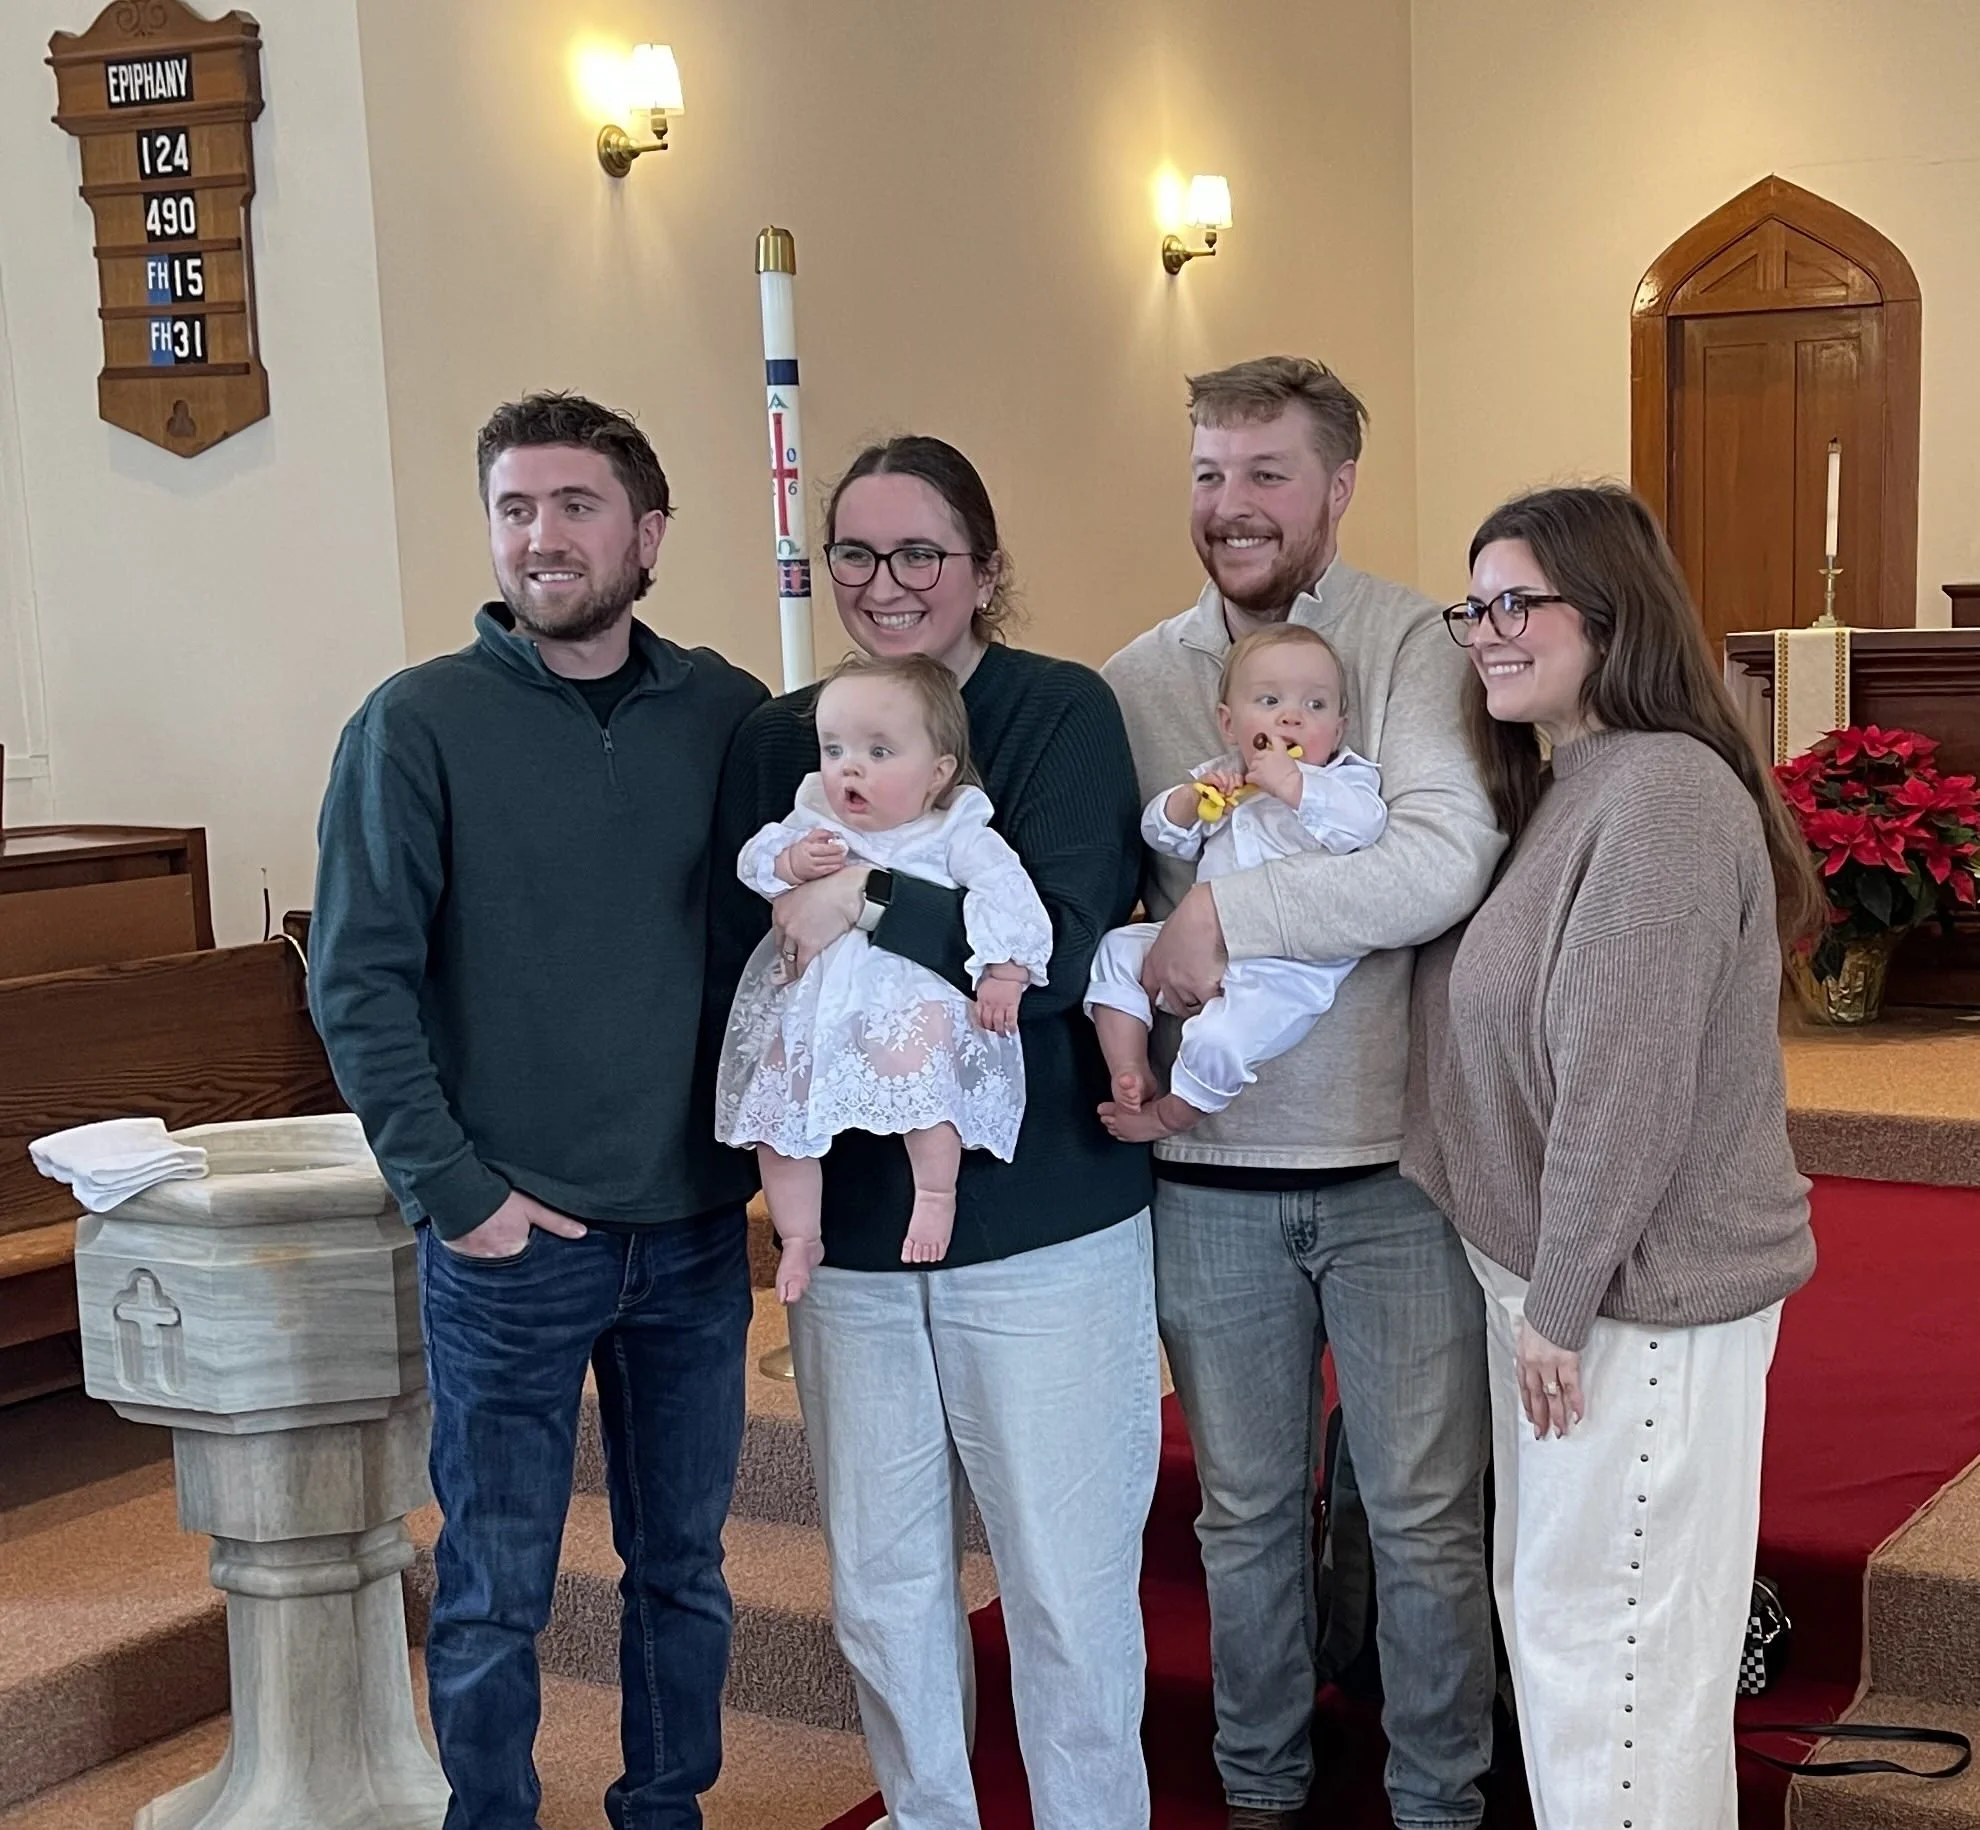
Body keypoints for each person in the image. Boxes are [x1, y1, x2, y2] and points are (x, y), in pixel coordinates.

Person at [309, 391, 766, 1830]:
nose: (543, 537)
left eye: (576, 505)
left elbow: (787, 940)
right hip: (512, 1233)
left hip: (691, 1227)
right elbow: (358, 979)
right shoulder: (417, 722)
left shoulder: (731, 714)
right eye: (515, 507)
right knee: (499, 1580)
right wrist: (459, 1192)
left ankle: (662, 1808)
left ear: (650, 532)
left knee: (683, 1565)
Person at [713, 434, 1159, 1830]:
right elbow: (765, 952)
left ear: (984, 568)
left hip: (1043, 1223)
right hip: (849, 1229)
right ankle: (927, 1812)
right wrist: (829, 922)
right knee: (882, 1576)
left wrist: (869, 906)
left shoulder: (1059, 711)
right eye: (856, 551)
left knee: (1063, 1578)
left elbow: (1070, 948)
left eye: (922, 553)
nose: (887, 582)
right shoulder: (785, 736)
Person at [1102, 355, 1503, 1830]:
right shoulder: (1141, 678)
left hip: (1394, 1163)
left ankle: (1438, 1798)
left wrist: (1235, 919)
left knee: (1419, 1516)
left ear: (1338, 486)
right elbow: (1120, 899)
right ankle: (1260, 1789)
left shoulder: (1416, 645)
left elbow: (1443, 858)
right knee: (1247, 1511)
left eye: (1267, 472)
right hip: (1210, 1175)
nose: (1231, 503)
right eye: (1209, 471)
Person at [1402, 483, 1820, 1830]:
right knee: (1577, 1634)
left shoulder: (1660, 798)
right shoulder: (1577, 782)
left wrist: (1563, 1296)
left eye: (1520, 600)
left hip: (1632, 1307)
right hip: (1573, 1294)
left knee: (1620, 1660)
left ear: (1612, 609)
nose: (1489, 630)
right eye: (1477, 604)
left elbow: (1621, 1085)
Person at [716, 651, 1052, 1297]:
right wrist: (790, 860)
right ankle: (799, 1235)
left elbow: (1010, 894)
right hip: (815, 1002)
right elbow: (753, 862)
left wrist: (1007, 970)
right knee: (782, 1119)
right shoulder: (815, 817)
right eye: (834, 748)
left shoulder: (954, 828)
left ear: (937, 772)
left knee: (926, 1088)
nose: (849, 768)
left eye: (878, 752)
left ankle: (934, 1192)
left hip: (907, 995)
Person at [1087, 624, 1387, 1141]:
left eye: (1315, 706)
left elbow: (1364, 828)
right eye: (1270, 700)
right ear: (1230, 723)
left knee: (1219, 1041)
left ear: (1338, 731)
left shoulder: (1343, 780)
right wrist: (1187, 800)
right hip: (1193, 948)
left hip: (1287, 969)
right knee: (1117, 949)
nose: (1292, 716)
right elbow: (1164, 836)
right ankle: (1128, 1066)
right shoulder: (1225, 776)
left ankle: (1171, 1115)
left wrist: (1297, 787)